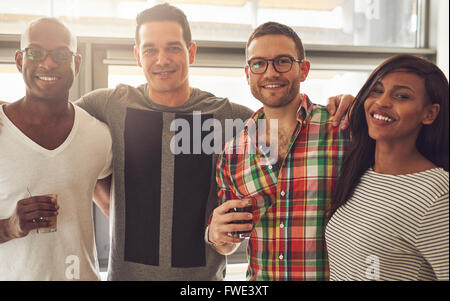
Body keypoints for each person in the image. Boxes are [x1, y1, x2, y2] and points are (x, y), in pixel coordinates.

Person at [207, 22, 351, 281]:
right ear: (248, 73)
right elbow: (229, 243)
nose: (270, 72)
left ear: (303, 69)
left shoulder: (342, 130)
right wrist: (217, 236)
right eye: (258, 63)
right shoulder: (232, 154)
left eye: (282, 61)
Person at [0, 18, 112, 280]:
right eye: (35, 52)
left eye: (61, 54)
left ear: (76, 63)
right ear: (19, 61)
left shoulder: (98, 135)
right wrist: (10, 227)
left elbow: (119, 211)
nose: (48, 63)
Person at [325, 54, 449, 281]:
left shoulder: (437, 195)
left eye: (401, 96)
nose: (382, 102)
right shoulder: (361, 173)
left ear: (429, 114)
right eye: (377, 90)